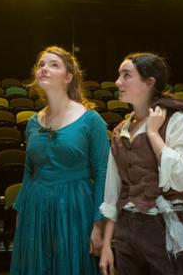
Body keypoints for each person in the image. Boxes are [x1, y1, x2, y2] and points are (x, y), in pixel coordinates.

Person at [99, 53, 183, 275]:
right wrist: (106, 245)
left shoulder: (177, 119)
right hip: (127, 231)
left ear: (149, 81)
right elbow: (113, 192)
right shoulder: (120, 129)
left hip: (166, 226)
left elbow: (182, 177)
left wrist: (152, 132)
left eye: (126, 75)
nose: (118, 82)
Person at [9, 46, 110, 275]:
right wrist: (21, 213)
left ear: (68, 77)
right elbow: (28, 172)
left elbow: (103, 172)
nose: (44, 69)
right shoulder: (33, 122)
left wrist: (98, 224)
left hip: (75, 206)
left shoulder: (90, 120)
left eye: (53, 64)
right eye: (41, 64)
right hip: (36, 207)